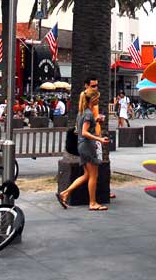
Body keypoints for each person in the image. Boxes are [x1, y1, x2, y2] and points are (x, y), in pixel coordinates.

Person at [56, 77, 109, 211]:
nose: (98, 100)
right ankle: (92, 203)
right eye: (96, 98)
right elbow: (84, 132)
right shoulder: (88, 114)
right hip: (87, 146)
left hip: (83, 146)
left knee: (86, 175)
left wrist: (96, 121)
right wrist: (100, 139)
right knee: (93, 176)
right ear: (92, 99)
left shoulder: (82, 113)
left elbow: (83, 129)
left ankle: (65, 193)